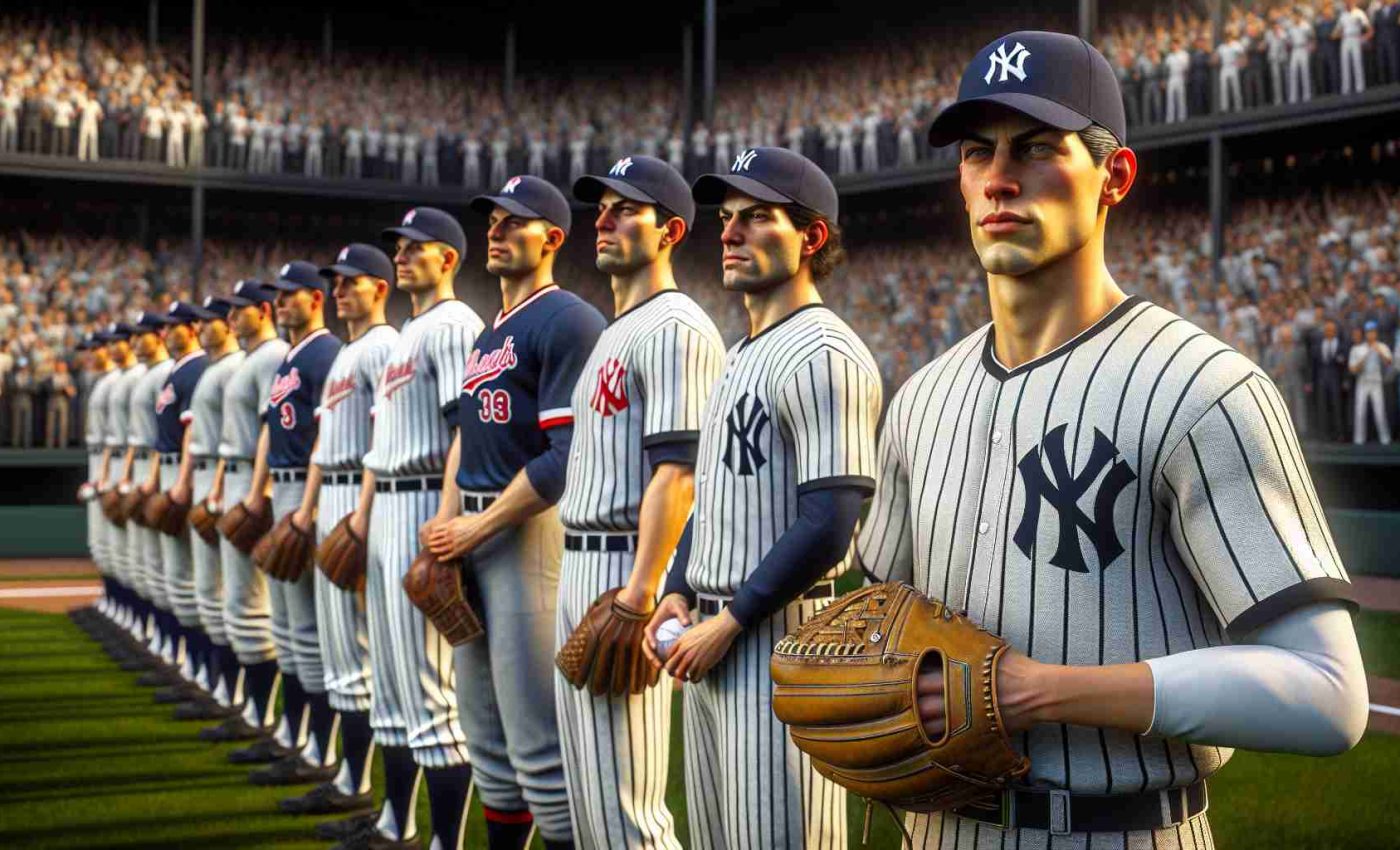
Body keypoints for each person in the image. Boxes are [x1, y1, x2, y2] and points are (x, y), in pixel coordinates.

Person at [858, 30, 1366, 847]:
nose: (998, 178)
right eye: (975, 152)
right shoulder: (919, 400)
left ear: (1114, 177)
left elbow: (1330, 692)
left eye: (1036, 147)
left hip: (1122, 828)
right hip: (940, 828)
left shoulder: (1206, 389)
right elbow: (880, 617)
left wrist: (1030, 691)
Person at [640, 146, 882, 849]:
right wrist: (680, 587)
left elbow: (831, 522)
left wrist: (733, 620)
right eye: (727, 218)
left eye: (757, 218)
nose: (731, 232)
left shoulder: (824, 352)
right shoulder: (740, 351)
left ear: (810, 238)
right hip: (715, 635)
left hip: (784, 641)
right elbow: (713, 496)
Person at [427, 175, 606, 850]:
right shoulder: (489, 331)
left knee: (537, 741)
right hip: (474, 534)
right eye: (494, 222)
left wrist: (477, 525)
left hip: (527, 536)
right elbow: (466, 438)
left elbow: (564, 459)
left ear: (552, 238)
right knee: (484, 734)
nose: (497, 231)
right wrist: (446, 527)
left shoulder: (567, 319)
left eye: (514, 222)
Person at [556, 155, 724, 849]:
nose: (605, 217)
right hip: (582, 562)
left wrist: (640, 593)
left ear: (670, 231)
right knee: (591, 798)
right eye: (602, 206)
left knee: (630, 808)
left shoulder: (677, 326)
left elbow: (679, 476)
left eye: (627, 207)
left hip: (625, 569)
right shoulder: (613, 330)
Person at [318, 208, 484, 850]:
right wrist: (363, 517)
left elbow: (464, 428)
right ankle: (395, 822)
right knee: (390, 683)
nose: (405, 253)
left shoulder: (452, 325)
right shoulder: (410, 331)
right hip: (386, 500)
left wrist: (445, 520)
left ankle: (443, 840)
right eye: (400, 247)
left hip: (421, 506)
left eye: (419, 247)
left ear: (449, 259)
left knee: (427, 686)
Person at [277, 244, 399, 822]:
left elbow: (384, 437)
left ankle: (360, 784)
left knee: (359, 652)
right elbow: (324, 447)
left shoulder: (383, 347)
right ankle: (346, 774)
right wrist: (305, 510)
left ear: (380, 287)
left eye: (354, 281)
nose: (343, 289)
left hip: (361, 497)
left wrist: (362, 515)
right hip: (332, 495)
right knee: (337, 655)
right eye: (339, 282)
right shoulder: (349, 351)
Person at [240, 263, 343, 786]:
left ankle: (320, 750)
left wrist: (307, 508)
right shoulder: (290, 358)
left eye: (291, 294)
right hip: (282, 488)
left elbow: (330, 438)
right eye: (277, 295)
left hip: (308, 490)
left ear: (316, 299)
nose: (281, 302)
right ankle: (294, 736)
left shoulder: (326, 353)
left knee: (309, 632)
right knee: (287, 627)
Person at [199, 280, 288, 751]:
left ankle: (259, 714)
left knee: (252, 607)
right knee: (235, 604)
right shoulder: (249, 360)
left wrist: (260, 493)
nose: (232, 315)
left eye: (240, 308)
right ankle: (241, 705)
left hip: (254, 482)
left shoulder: (271, 356)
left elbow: (271, 428)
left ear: (264, 310)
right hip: (231, 475)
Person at [179, 296, 247, 722]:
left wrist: (216, 491)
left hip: (226, 477)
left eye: (212, 320)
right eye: (199, 321)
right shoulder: (211, 370)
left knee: (231, 597)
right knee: (206, 591)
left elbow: (235, 435)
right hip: (204, 472)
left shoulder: (236, 367)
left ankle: (233, 693)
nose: (203, 327)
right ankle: (212, 682)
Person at [147, 303, 210, 711]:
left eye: (177, 326)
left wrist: (183, 482)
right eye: (166, 327)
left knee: (192, 581)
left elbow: (191, 432)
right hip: (170, 469)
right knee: (174, 578)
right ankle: (182, 663)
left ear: (194, 329)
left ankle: (200, 672)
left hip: (186, 474)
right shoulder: (176, 370)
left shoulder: (195, 368)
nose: (169, 332)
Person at [1349, 320, 1393, 443]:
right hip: (1362, 383)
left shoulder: (1382, 346)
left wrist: (1378, 351)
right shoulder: (1358, 348)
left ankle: (1385, 440)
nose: (1371, 335)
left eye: (1373, 332)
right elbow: (1352, 369)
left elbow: (1389, 362)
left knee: (1379, 413)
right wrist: (1366, 354)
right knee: (1360, 413)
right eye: (1368, 332)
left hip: (1376, 383)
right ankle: (1358, 441)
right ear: (1365, 334)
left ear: (1376, 333)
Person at [1313, 319, 1348, 440]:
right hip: (1322, 380)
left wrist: (1345, 380)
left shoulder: (1341, 345)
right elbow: (1314, 364)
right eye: (1327, 330)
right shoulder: (1318, 344)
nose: (1329, 332)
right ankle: (1324, 434)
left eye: (1332, 330)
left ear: (1335, 331)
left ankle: (1339, 434)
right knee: (1322, 407)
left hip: (1336, 379)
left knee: (1337, 407)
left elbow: (1345, 365)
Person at [1333, 0, 1375, 93]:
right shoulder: (1343, 15)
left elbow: (1369, 28)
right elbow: (1337, 31)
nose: (1348, 3)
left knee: (1357, 62)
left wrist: (1364, 38)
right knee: (1345, 63)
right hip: (1346, 39)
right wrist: (1338, 34)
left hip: (1356, 37)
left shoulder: (1359, 13)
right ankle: (1346, 88)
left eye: (1350, 1)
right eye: (1346, 1)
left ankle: (1360, 87)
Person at [45, 359, 76, 447]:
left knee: (63, 424)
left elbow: (73, 392)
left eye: (63, 367)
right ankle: (49, 445)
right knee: (50, 424)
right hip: (52, 400)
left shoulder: (69, 377)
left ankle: (63, 445)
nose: (61, 368)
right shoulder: (51, 377)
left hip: (63, 401)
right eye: (60, 366)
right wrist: (57, 389)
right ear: (56, 367)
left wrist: (68, 389)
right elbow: (47, 388)